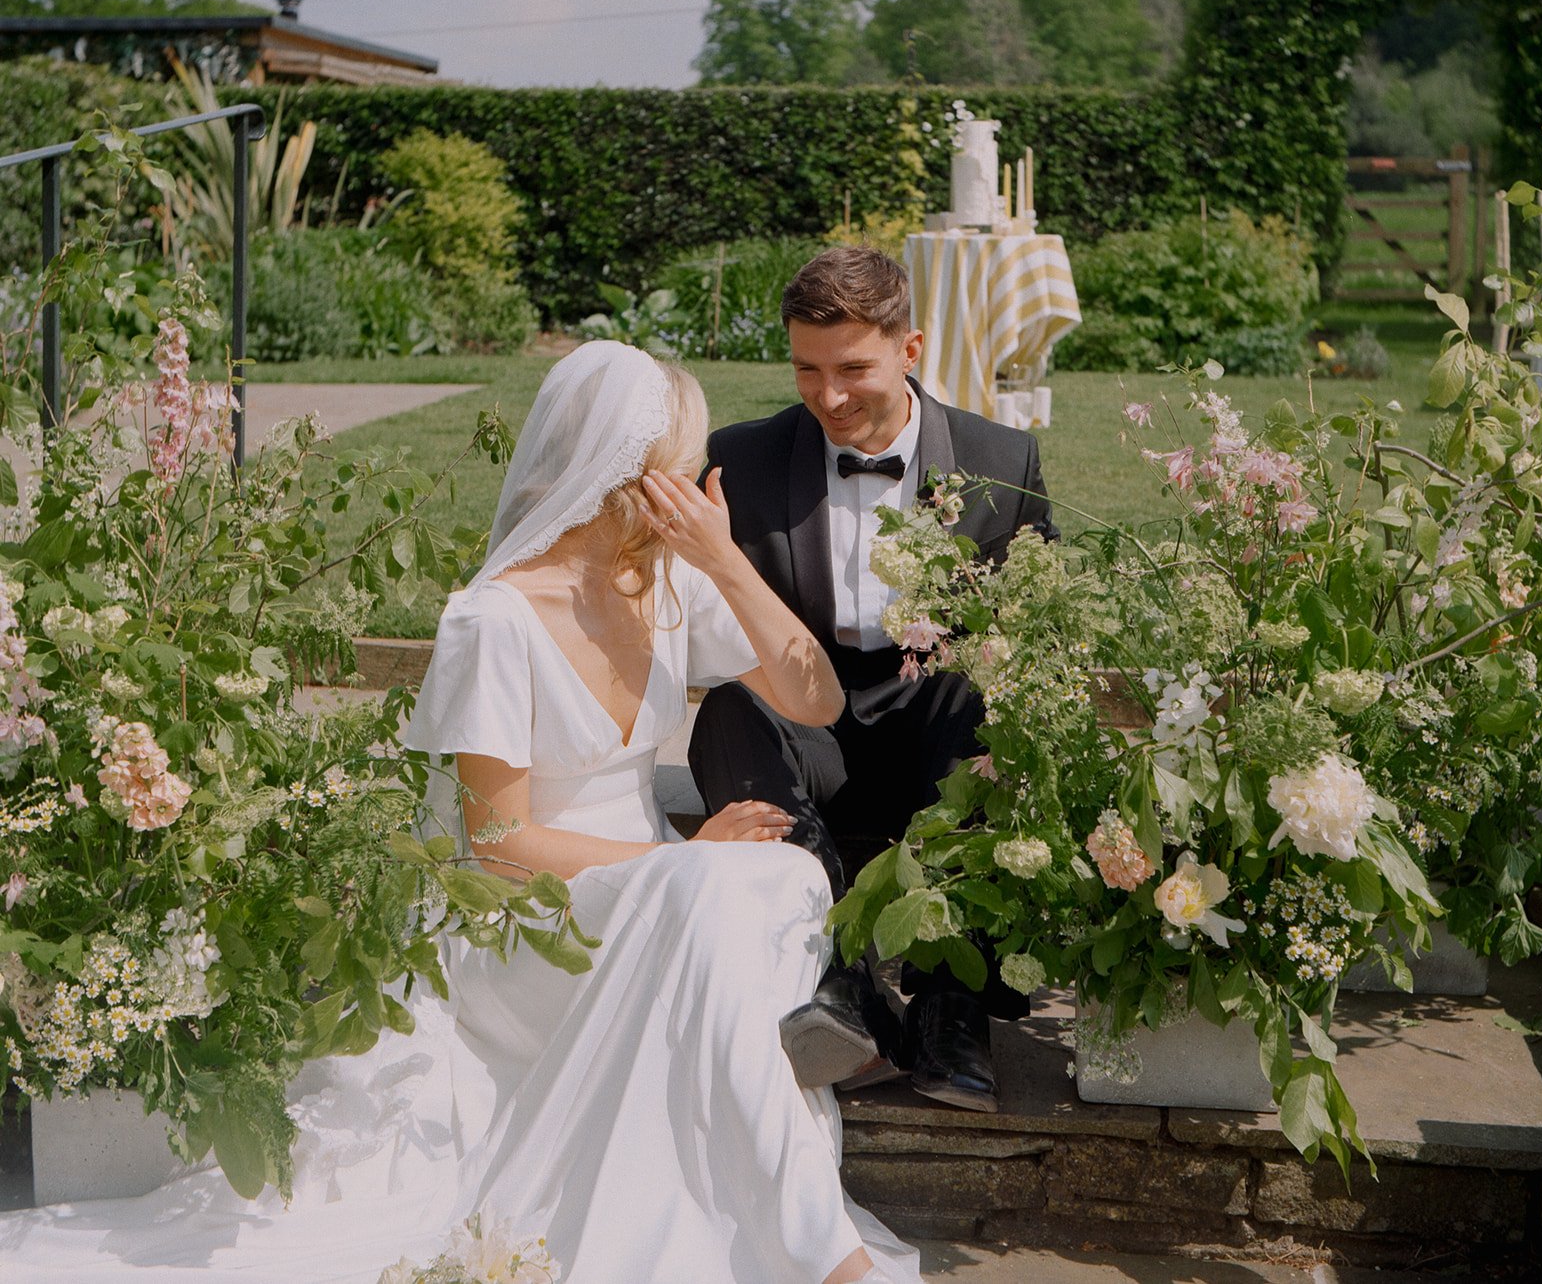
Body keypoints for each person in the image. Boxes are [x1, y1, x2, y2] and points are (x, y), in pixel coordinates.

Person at [1, 340, 920, 1284]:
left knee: (769, 878)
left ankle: (814, 1241)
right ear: (622, 478)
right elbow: (494, 844)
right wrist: (674, 866)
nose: (698, 483)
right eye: (681, 468)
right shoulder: (494, 619)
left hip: (646, 895)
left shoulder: (666, 583)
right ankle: (821, 1243)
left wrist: (723, 560)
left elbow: (814, 700)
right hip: (519, 924)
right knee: (726, 894)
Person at [689, 247, 1055, 1114]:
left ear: (911, 348)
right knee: (728, 714)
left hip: (940, 727)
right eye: (807, 371)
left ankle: (949, 1008)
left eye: (853, 368)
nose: (830, 396)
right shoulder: (738, 459)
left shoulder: (1002, 460)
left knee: (983, 695)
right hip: (801, 724)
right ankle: (839, 979)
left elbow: (1036, 622)